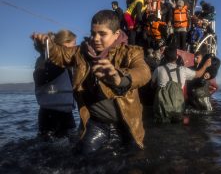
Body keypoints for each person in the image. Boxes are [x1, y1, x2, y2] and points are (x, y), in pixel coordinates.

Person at [31, 10, 151, 154]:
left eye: (102, 34)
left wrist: (119, 78)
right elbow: (62, 54)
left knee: (134, 160)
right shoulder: (81, 52)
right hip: (96, 123)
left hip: (127, 124)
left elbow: (144, 72)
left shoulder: (131, 52)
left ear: (117, 34)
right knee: (84, 160)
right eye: (93, 33)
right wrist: (48, 46)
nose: (95, 38)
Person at [33, 29, 77, 140]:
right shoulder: (46, 61)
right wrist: (47, 51)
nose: (75, 49)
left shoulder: (70, 66)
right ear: (61, 46)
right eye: (73, 45)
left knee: (71, 146)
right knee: (48, 150)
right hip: (49, 115)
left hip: (67, 113)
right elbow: (40, 77)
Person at [151, 46, 211, 122]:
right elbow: (199, 74)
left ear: (165, 57)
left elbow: (152, 85)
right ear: (176, 57)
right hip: (178, 108)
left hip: (162, 109)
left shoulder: (158, 69)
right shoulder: (183, 70)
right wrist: (205, 65)